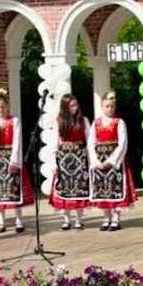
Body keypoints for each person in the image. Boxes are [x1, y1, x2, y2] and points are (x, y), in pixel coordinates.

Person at [0, 88, 33, 233]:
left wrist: (14, 161)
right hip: (0, 157)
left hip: (11, 155)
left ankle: (19, 220)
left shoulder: (14, 120)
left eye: (3, 106)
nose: (1, 110)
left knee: (14, 189)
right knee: (0, 190)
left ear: (7, 106)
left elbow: (17, 141)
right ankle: (1, 222)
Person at [88, 91, 137, 231]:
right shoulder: (96, 123)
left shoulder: (119, 122)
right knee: (102, 190)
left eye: (112, 106)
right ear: (102, 107)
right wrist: (95, 161)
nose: (110, 109)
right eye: (107, 106)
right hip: (99, 160)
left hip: (115, 161)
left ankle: (115, 218)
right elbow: (91, 142)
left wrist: (111, 161)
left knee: (115, 188)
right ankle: (106, 218)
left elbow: (123, 143)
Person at [49, 94, 90, 229]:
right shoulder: (59, 121)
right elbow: (54, 143)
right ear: (65, 107)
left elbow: (89, 141)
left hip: (79, 158)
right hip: (64, 160)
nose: (75, 108)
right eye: (71, 106)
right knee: (65, 188)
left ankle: (79, 219)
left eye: (76, 105)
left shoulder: (83, 120)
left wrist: (91, 160)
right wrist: (54, 163)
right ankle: (67, 220)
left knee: (79, 188)